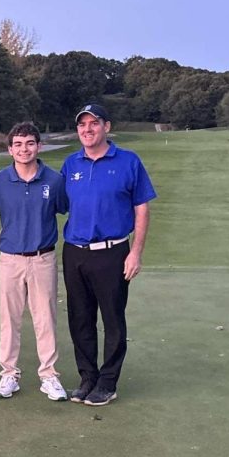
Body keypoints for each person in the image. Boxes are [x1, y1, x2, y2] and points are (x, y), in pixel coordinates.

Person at [60, 103, 157, 406]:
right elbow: (51, 200)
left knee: (113, 319)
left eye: (93, 124)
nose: (87, 130)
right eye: (82, 125)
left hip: (113, 252)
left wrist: (136, 253)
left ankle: (108, 382)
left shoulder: (128, 161)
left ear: (107, 127)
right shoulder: (71, 164)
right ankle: (87, 377)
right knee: (80, 318)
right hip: (74, 252)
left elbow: (141, 208)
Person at [0, 122, 70, 401]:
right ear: (10, 149)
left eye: (30, 143)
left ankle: (49, 376)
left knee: (45, 318)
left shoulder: (54, 181)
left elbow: (68, 208)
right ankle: (9, 375)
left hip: (43, 258)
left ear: (39, 146)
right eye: (18, 144)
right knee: (10, 319)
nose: (24, 149)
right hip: (10, 259)